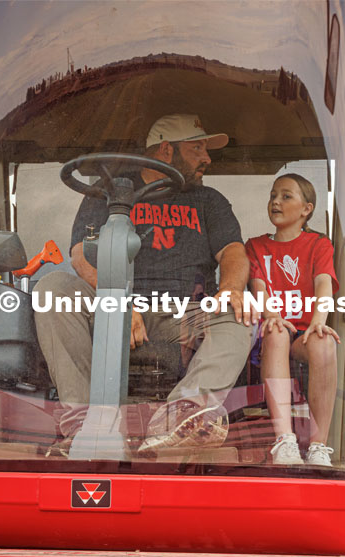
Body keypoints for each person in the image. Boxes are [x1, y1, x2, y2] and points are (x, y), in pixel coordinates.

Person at [34, 114, 254, 453]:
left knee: (241, 313)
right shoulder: (104, 194)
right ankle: (82, 424)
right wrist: (120, 303)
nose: (207, 158)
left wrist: (230, 289)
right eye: (197, 148)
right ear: (167, 150)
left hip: (182, 314)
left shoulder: (209, 201)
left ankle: (182, 416)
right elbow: (81, 256)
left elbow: (233, 252)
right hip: (111, 307)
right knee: (52, 289)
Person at [245, 174, 339, 466]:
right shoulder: (256, 246)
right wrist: (272, 314)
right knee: (276, 332)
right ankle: (284, 439)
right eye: (273, 195)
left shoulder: (318, 244)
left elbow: (324, 283)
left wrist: (318, 320)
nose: (275, 201)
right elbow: (258, 288)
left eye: (286, 196)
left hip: (303, 332)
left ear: (306, 209)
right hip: (270, 333)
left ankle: (319, 445)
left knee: (323, 341)